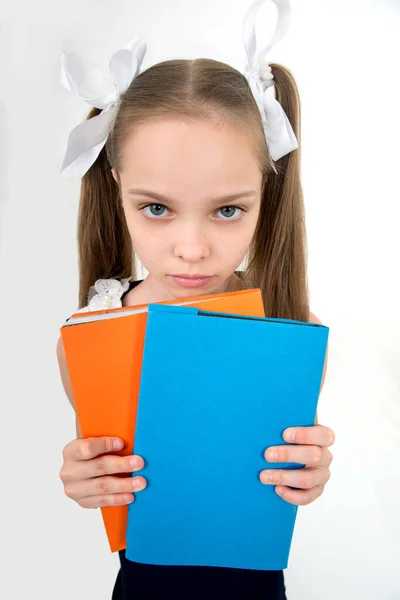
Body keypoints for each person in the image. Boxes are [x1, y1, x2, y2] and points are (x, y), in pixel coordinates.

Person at [56, 0, 335, 597]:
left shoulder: (291, 330)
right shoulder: (89, 332)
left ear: (267, 193)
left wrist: (308, 475)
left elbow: (276, 470)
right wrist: (86, 479)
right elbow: (108, 468)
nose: (191, 249)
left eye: (227, 210)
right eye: (156, 208)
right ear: (116, 184)